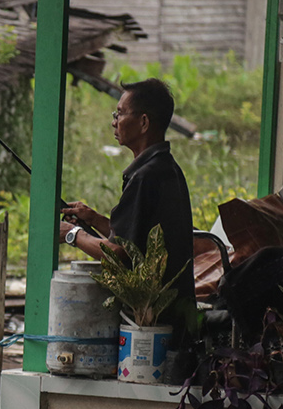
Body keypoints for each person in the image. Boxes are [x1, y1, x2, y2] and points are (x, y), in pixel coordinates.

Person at [59, 77, 196, 334]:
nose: (114, 121)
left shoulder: (146, 176)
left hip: (154, 322)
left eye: (120, 114)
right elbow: (137, 239)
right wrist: (93, 219)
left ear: (143, 122)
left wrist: (72, 234)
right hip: (174, 317)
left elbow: (120, 254)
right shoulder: (165, 167)